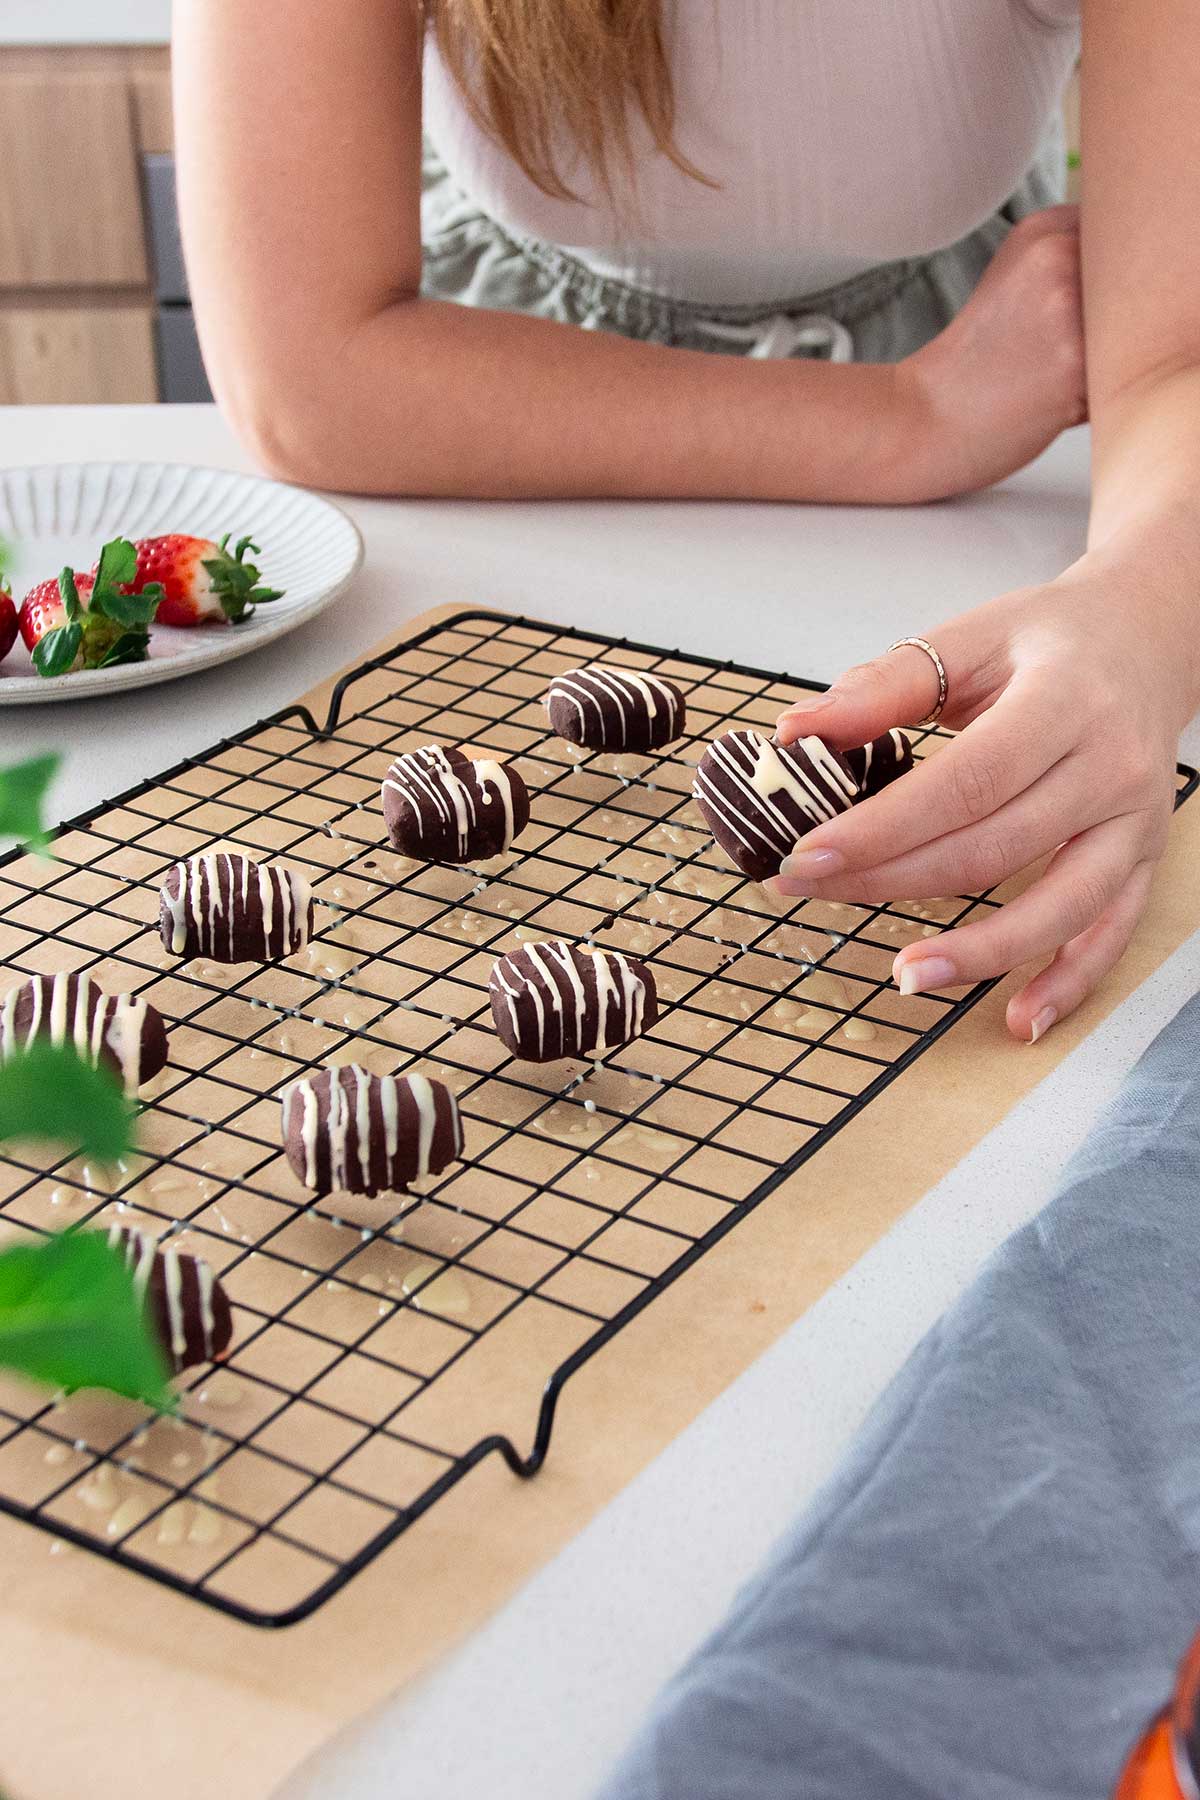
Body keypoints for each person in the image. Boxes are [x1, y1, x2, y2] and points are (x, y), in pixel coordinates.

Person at [173, 1, 1200, 1043]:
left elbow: (1177, 357)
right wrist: (909, 419)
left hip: (1000, 386)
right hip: (496, 402)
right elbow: (305, 375)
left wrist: (1139, 614)